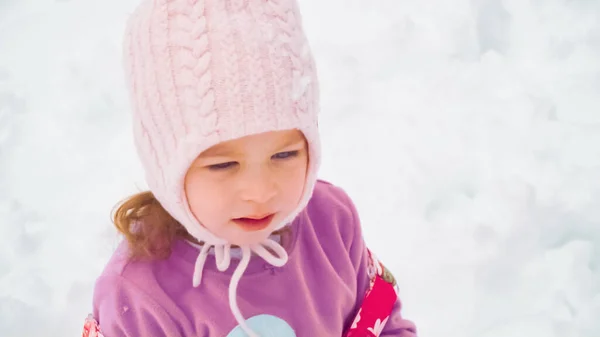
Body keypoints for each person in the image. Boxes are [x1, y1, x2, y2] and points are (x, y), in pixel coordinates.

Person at [87, 0, 417, 336]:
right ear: (166, 163)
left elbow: (378, 319)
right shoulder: (138, 294)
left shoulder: (332, 222)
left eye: (284, 155)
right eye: (224, 164)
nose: (260, 191)